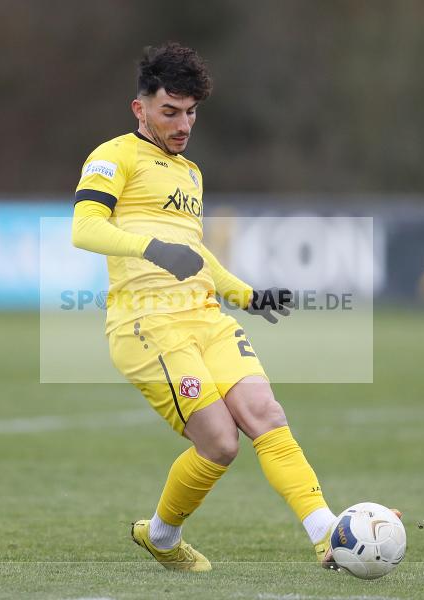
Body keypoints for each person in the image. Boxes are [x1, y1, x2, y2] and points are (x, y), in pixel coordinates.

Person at [71, 42, 379, 571]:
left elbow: (198, 254)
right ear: (139, 108)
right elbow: (85, 228)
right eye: (169, 111)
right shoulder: (113, 156)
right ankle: (162, 536)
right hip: (146, 326)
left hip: (207, 319)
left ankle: (328, 533)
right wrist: (152, 248)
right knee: (219, 443)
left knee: (266, 414)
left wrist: (247, 294)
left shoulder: (191, 173)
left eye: (190, 112)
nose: (182, 123)